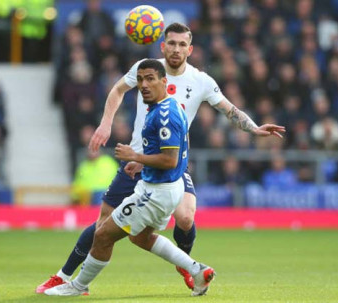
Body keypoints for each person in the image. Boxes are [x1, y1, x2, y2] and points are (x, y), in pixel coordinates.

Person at [36, 23, 285, 293]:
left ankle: (188, 268)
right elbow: (117, 89)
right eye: (172, 43)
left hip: (169, 163)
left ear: (190, 50)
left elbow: (229, 110)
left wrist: (254, 128)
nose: (176, 49)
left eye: (182, 45)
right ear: (162, 46)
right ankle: (63, 276)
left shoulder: (200, 81)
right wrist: (106, 123)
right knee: (103, 226)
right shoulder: (148, 69)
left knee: (186, 218)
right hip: (135, 162)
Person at [44, 59, 215, 296]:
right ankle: (197, 270)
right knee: (141, 238)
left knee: (103, 234)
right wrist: (140, 162)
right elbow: (164, 154)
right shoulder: (165, 107)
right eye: (141, 79)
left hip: (156, 192)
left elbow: (170, 160)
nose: (143, 85)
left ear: (164, 82)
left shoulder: (164, 115)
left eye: (150, 79)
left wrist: (134, 155)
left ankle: (77, 286)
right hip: (161, 186)